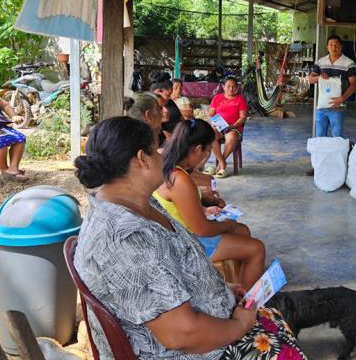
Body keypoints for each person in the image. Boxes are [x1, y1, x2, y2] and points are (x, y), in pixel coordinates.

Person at [73, 117, 305, 359]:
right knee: (282, 348)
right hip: (182, 351)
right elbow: (180, 334)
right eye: (156, 150)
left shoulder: (137, 202)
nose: (163, 155)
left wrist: (220, 289)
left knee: (273, 319)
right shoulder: (123, 239)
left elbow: (168, 268)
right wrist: (238, 326)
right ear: (142, 159)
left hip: (204, 321)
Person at [154, 119, 265, 290]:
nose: (206, 157)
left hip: (180, 231)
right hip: (188, 243)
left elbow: (179, 208)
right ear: (198, 149)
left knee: (243, 231)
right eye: (207, 151)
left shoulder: (166, 162)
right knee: (256, 249)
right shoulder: (180, 179)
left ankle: (238, 285)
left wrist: (206, 209)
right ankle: (249, 305)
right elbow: (202, 230)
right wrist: (227, 224)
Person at [309, 35, 356, 138]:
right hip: (321, 106)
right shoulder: (320, 62)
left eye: (336, 45)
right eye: (331, 45)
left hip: (337, 107)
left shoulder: (349, 63)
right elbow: (310, 79)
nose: (333, 47)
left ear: (341, 47)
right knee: (319, 136)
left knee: (336, 136)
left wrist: (342, 98)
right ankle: (322, 154)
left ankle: (335, 154)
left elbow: (353, 85)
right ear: (327, 47)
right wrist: (319, 77)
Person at [206, 77, 247, 178]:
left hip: (233, 128)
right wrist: (214, 122)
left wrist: (232, 126)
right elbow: (210, 114)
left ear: (237, 88)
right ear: (223, 87)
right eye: (228, 86)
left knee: (232, 137)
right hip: (219, 126)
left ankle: (220, 164)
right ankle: (222, 163)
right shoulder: (217, 98)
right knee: (211, 135)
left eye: (234, 87)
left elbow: (243, 117)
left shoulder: (240, 99)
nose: (231, 89)